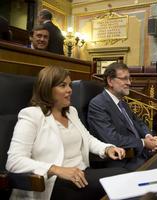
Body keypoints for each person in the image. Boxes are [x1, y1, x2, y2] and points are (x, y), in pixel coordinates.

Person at [6, 66, 127, 200]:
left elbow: (87, 138)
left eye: (69, 85)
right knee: (121, 180)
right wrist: (56, 169)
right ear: (47, 89)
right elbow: (14, 161)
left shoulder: (71, 112)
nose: (69, 90)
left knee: (123, 175)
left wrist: (106, 148)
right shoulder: (31, 115)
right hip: (52, 183)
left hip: (81, 174)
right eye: (63, 85)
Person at [87, 62, 157, 170]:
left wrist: (148, 136)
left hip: (139, 155)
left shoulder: (122, 103)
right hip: (122, 162)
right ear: (110, 81)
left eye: (129, 79)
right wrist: (143, 143)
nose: (129, 83)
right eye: (124, 79)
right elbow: (112, 138)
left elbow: (139, 122)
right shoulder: (98, 104)